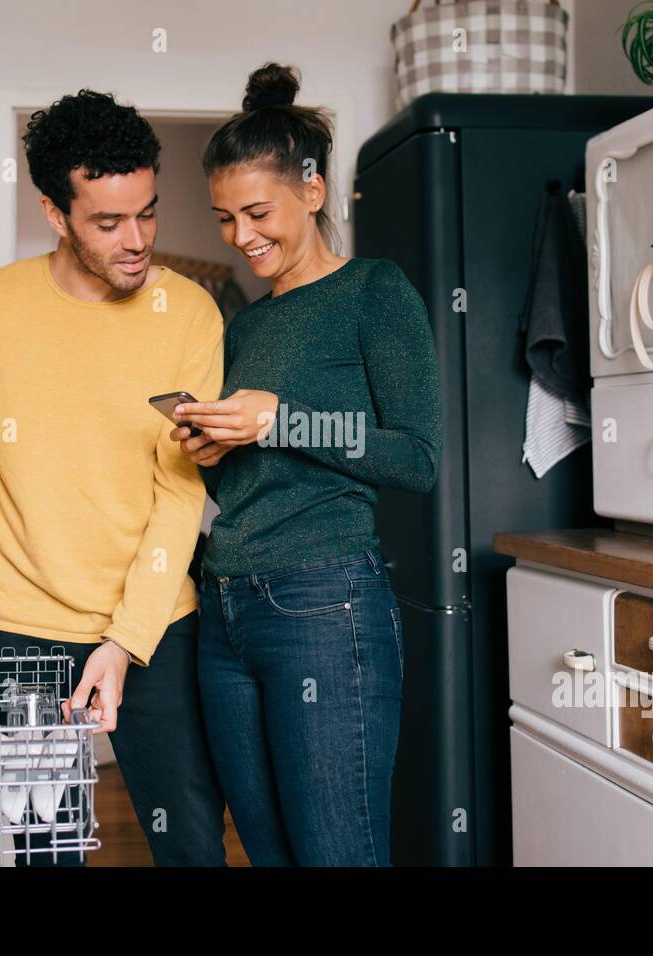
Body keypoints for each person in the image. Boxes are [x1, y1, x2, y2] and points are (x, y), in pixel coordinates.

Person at [0, 89, 226, 866]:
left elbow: (180, 491)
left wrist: (124, 642)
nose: (138, 241)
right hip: (22, 628)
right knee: (44, 852)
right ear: (55, 213)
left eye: (148, 213)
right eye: (108, 221)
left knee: (189, 842)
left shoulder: (190, 313)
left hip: (158, 627)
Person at [170, 63, 443, 866]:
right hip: (223, 611)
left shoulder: (374, 293)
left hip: (324, 606)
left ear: (313, 193)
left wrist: (280, 418)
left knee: (337, 855)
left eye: (257, 211)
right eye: (224, 218)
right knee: (267, 850)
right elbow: (260, 476)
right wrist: (216, 449)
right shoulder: (244, 326)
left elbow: (416, 458)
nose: (241, 235)